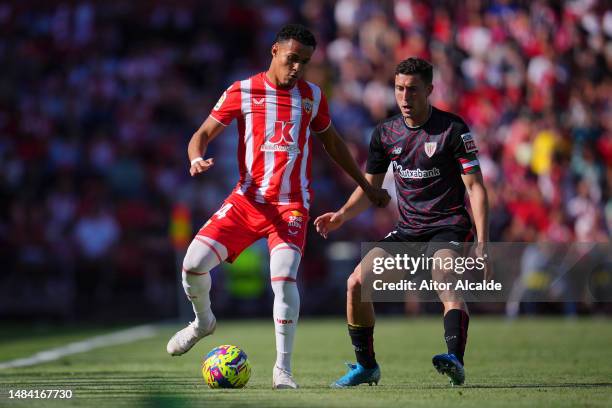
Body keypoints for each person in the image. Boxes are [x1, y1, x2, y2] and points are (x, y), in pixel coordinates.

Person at [165, 24, 390, 389]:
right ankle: (203, 322)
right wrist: (195, 157)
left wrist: (366, 185)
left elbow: (333, 145)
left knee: (284, 278)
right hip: (246, 201)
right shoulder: (242, 91)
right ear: (274, 52)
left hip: (291, 206)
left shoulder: (312, 97)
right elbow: (201, 134)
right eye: (292, 59)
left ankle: (282, 369)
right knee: (192, 266)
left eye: (305, 61)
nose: (298, 67)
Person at [314, 57, 490, 387]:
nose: (405, 97)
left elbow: (476, 188)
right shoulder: (385, 134)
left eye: (412, 90)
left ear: (430, 90)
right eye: (398, 89)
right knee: (355, 284)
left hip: (447, 226)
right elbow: (370, 188)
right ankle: (367, 366)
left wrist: (482, 241)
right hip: (408, 232)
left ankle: (455, 359)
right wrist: (341, 215)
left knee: (445, 277)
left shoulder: (453, 129)